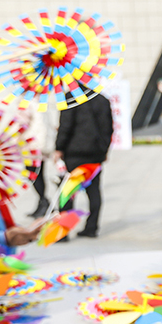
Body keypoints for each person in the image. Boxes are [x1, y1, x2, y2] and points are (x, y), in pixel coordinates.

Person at [54, 93, 114, 238]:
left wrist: (59, 147)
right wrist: (104, 149)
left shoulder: (70, 98)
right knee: (94, 190)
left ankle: (63, 231)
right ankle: (91, 227)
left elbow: (66, 126)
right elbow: (108, 128)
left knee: (68, 192)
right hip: (95, 153)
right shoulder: (102, 100)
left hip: (74, 152)